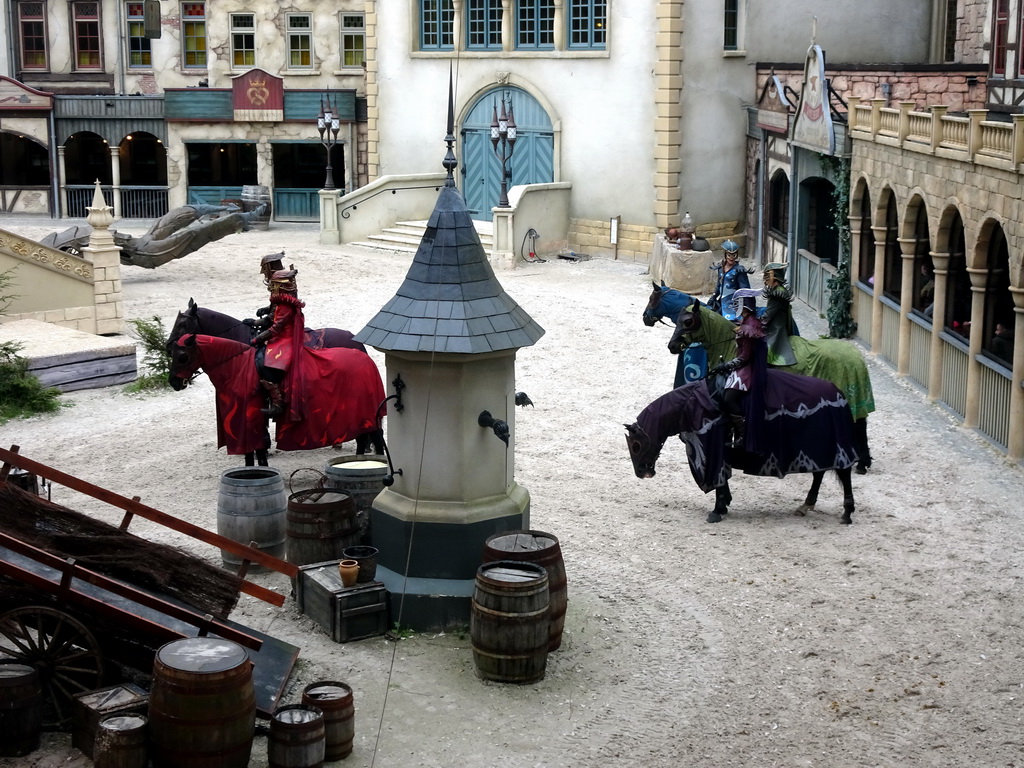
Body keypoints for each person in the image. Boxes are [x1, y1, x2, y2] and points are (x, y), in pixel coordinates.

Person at [707, 305, 768, 453]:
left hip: (746, 369)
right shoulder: (746, 321)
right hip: (740, 366)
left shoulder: (750, 326)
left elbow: (745, 356)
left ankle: (743, 434)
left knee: (729, 399)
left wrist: (728, 365)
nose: (735, 308)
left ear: (744, 307)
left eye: (738, 305)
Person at [252, 268, 305, 418]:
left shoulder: (286, 306)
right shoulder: (281, 303)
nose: (272, 287)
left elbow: (276, 328)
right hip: (279, 337)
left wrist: (257, 339)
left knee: (266, 364)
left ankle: (277, 403)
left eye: (275, 285)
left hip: (285, 340)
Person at [760, 262, 798, 366]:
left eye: (767, 277)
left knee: (760, 352)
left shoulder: (777, 295)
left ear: (773, 277)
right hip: (777, 324)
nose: (765, 281)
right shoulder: (780, 290)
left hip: (775, 329)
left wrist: (754, 324)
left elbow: (767, 317)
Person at [709, 240, 755, 322]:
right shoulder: (721, 268)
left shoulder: (739, 271)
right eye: (729, 255)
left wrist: (746, 308)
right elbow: (719, 285)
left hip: (734, 306)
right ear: (725, 255)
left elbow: (745, 290)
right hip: (721, 304)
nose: (731, 258)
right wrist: (713, 296)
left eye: (734, 255)